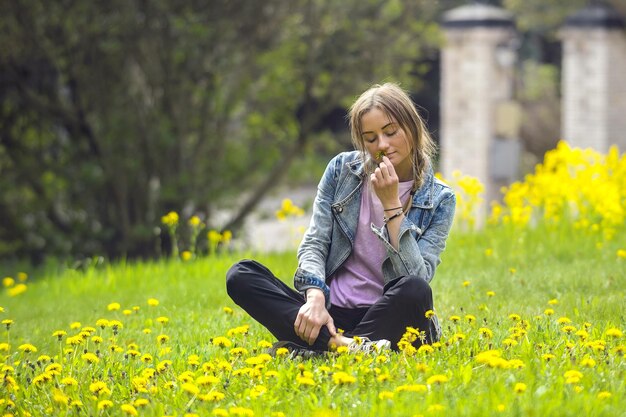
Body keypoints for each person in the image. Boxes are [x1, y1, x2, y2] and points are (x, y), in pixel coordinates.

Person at [226, 82, 456, 355]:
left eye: (391, 132)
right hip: (332, 314)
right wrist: (315, 297)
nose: (382, 145)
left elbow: (417, 276)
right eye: (370, 139)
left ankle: (319, 350)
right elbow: (316, 242)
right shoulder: (341, 170)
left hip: (390, 315)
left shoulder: (440, 198)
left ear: (412, 127)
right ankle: (342, 347)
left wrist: (391, 204)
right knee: (241, 275)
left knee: (416, 290)